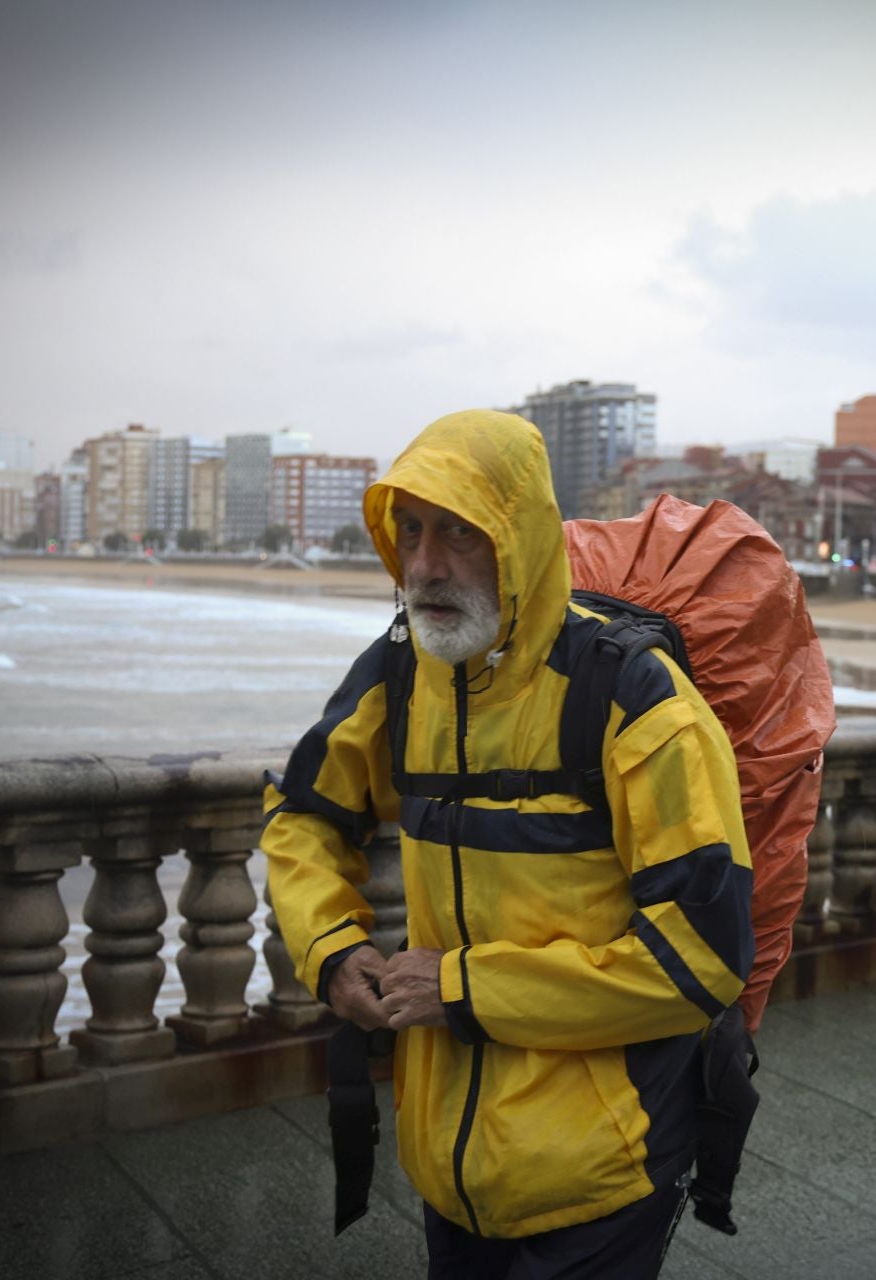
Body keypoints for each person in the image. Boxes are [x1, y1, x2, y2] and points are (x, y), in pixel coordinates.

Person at [262, 409, 754, 1278]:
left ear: (519, 538)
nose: (424, 565)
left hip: (603, 1169)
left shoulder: (634, 700)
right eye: (409, 531)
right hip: (446, 1161)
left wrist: (462, 988)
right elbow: (304, 814)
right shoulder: (403, 674)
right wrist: (332, 949)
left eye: (460, 532)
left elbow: (703, 959)